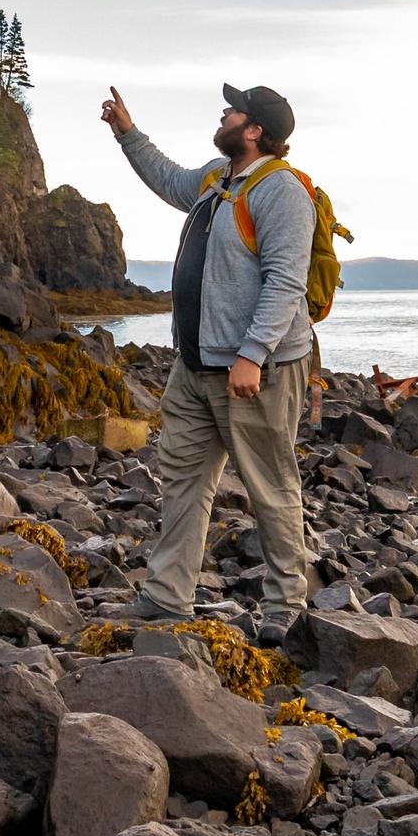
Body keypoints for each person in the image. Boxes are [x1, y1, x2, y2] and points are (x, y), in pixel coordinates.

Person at [102, 81, 317, 619]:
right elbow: (167, 178)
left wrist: (253, 353)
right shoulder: (214, 179)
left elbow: (285, 283)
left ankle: (285, 606)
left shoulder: (282, 191)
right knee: (182, 479)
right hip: (195, 365)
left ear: (254, 129)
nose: (222, 112)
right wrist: (129, 135)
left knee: (270, 485)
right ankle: (167, 596)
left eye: (233, 109)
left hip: (254, 371)